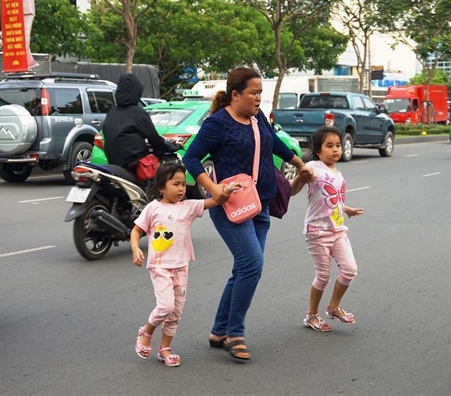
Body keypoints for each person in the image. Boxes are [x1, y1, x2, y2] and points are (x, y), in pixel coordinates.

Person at [182, 66, 314, 361]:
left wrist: (300, 164)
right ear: (235, 94)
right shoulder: (218, 123)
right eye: (254, 93)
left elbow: (275, 144)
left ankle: (219, 331)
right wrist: (213, 189)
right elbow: (189, 157)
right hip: (229, 207)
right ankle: (235, 333)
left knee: (243, 268)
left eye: (260, 93)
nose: (258, 98)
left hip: (260, 204)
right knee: (252, 264)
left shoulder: (258, 119)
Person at [131, 162, 242, 367]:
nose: (181, 188)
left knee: (175, 312)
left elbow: (215, 200)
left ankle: (165, 349)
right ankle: (146, 331)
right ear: (162, 187)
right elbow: (136, 230)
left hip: (181, 266)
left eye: (183, 184)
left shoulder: (189, 207)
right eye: (176, 184)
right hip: (160, 266)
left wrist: (227, 189)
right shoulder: (153, 208)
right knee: (165, 306)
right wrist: (136, 248)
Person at [290, 126, 363, 332]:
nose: (335, 150)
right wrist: (299, 177)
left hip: (338, 230)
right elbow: (293, 191)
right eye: (329, 146)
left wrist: (346, 209)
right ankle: (311, 315)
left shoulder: (336, 171)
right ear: (318, 150)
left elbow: (332, 200)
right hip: (317, 231)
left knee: (350, 269)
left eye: (338, 145)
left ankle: (333, 306)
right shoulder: (312, 167)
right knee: (323, 275)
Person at [103, 73, 174, 175]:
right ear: (137, 93)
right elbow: (153, 137)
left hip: (113, 163)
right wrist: (169, 146)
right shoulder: (138, 113)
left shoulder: (112, 112)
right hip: (133, 164)